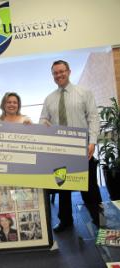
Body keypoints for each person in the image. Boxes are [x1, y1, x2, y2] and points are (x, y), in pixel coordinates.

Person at [40, 60, 102, 232]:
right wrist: (43, 123)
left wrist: (92, 142)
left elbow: (93, 118)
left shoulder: (84, 93)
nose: (59, 75)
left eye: (62, 71)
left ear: (69, 71)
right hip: (60, 152)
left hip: (83, 150)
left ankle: (100, 221)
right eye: (55, 73)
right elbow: (43, 119)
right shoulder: (49, 99)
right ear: (52, 75)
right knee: (63, 188)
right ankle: (66, 221)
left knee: (90, 189)